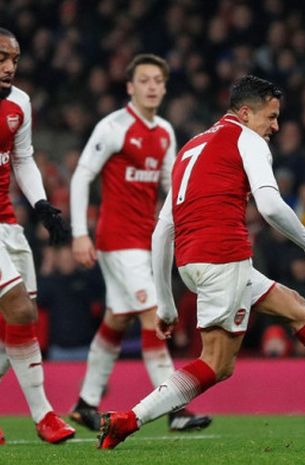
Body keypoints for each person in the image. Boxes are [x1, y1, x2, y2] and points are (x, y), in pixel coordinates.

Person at [96, 75, 305, 449]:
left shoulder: (191, 148)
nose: (276, 126)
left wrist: (167, 304)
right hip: (223, 257)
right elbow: (269, 205)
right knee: (218, 364)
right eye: (271, 116)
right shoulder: (246, 139)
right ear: (246, 113)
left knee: (296, 308)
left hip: (194, 263)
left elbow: (160, 233)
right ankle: (128, 420)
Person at [69, 53, 210, 432]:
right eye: (143, 80)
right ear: (130, 87)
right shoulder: (113, 127)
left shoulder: (165, 131)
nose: (151, 87)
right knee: (153, 315)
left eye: (157, 81)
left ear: (164, 87)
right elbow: (82, 177)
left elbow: (170, 187)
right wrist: (79, 232)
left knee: (118, 318)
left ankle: (85, 401)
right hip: (116, 239)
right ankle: (175, 409)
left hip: (143, 240)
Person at [0, 26, 75, 444]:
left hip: (5, 222)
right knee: (19, 310)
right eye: (0, 57)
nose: (10, 67)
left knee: (16, 321)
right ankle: (44, 416)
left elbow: (22, 158)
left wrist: (40, 205)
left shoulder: (19, 104)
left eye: (15, 60)